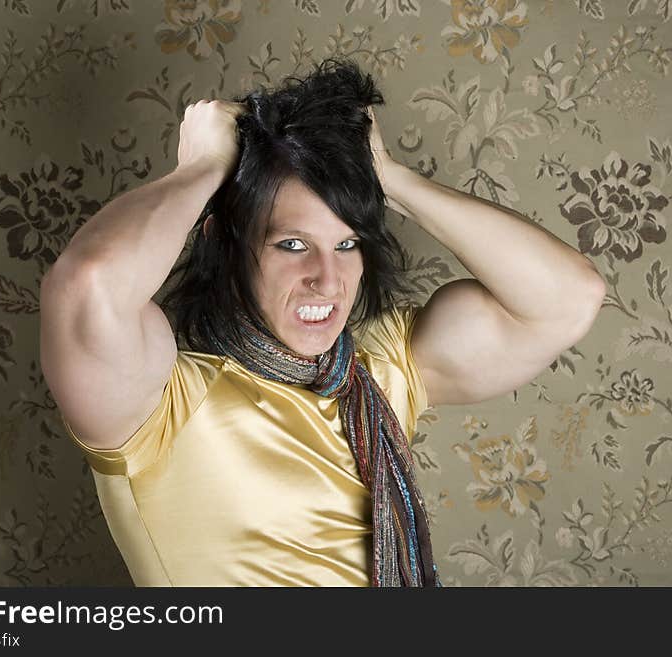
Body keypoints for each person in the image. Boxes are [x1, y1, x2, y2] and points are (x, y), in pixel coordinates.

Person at [39, 58, 606, 587]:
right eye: (292, 244)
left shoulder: (381, 371)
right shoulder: (158, 403)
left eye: (346, 243)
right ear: (225, 244)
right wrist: (206, 167)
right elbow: (90, 285)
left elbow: (567, 299)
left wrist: (390, 179)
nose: (328, 279)